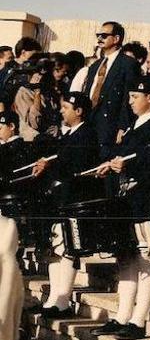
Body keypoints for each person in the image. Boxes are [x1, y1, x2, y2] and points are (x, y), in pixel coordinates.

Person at [91, 75, 150, 339]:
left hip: (148, 201)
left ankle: (138, 320)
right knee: (126, 259)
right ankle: (122, 316)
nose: (130, 102)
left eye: (135, 97)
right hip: (128, 201)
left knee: (146, 260)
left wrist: (127, 165)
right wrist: (112, 167)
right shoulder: (134, 125)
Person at [31, 92, 101, 319]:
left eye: (66, 107)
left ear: (79, 111)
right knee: (56, 250)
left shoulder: (86, 134)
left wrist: (50, 165)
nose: (62, 111)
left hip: (73, 199)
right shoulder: (68, 135)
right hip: (59, 200)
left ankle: (63, 300)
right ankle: (54, 298)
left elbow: (74, 166)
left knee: (68, 249)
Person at [84, 21, 141, 159]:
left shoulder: (128, 64)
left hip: (111, 127)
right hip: (90, 124)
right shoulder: (95, 66)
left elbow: (129, 97)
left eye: (104, 35)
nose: (99, 39)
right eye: (98, 35)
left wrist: (123, 126)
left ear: (116, 39)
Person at [13, 53, 63, 141]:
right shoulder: (24, 92)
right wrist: (37, 93)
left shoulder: (50, 92)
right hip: (32, 140)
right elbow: (34, 122)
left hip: (49, 139)